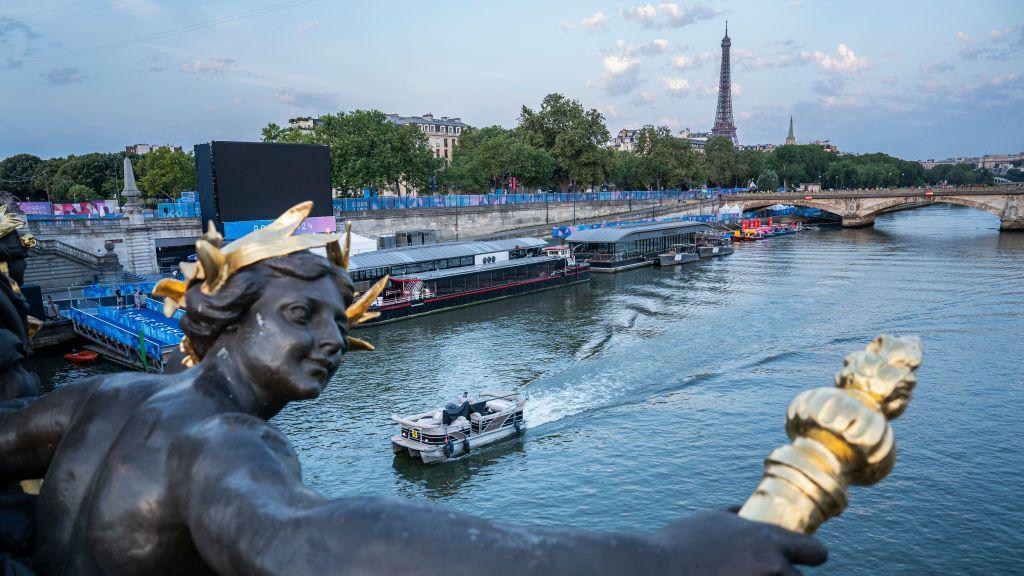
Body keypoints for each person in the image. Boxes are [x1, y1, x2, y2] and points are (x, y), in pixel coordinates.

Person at [0, 203, 826, 575]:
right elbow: (310, 544)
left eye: (338, 322)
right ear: (227, 316)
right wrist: (661, 558)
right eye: (300, 314)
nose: (332, 341)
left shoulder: (105, 400)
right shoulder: (223, 443)